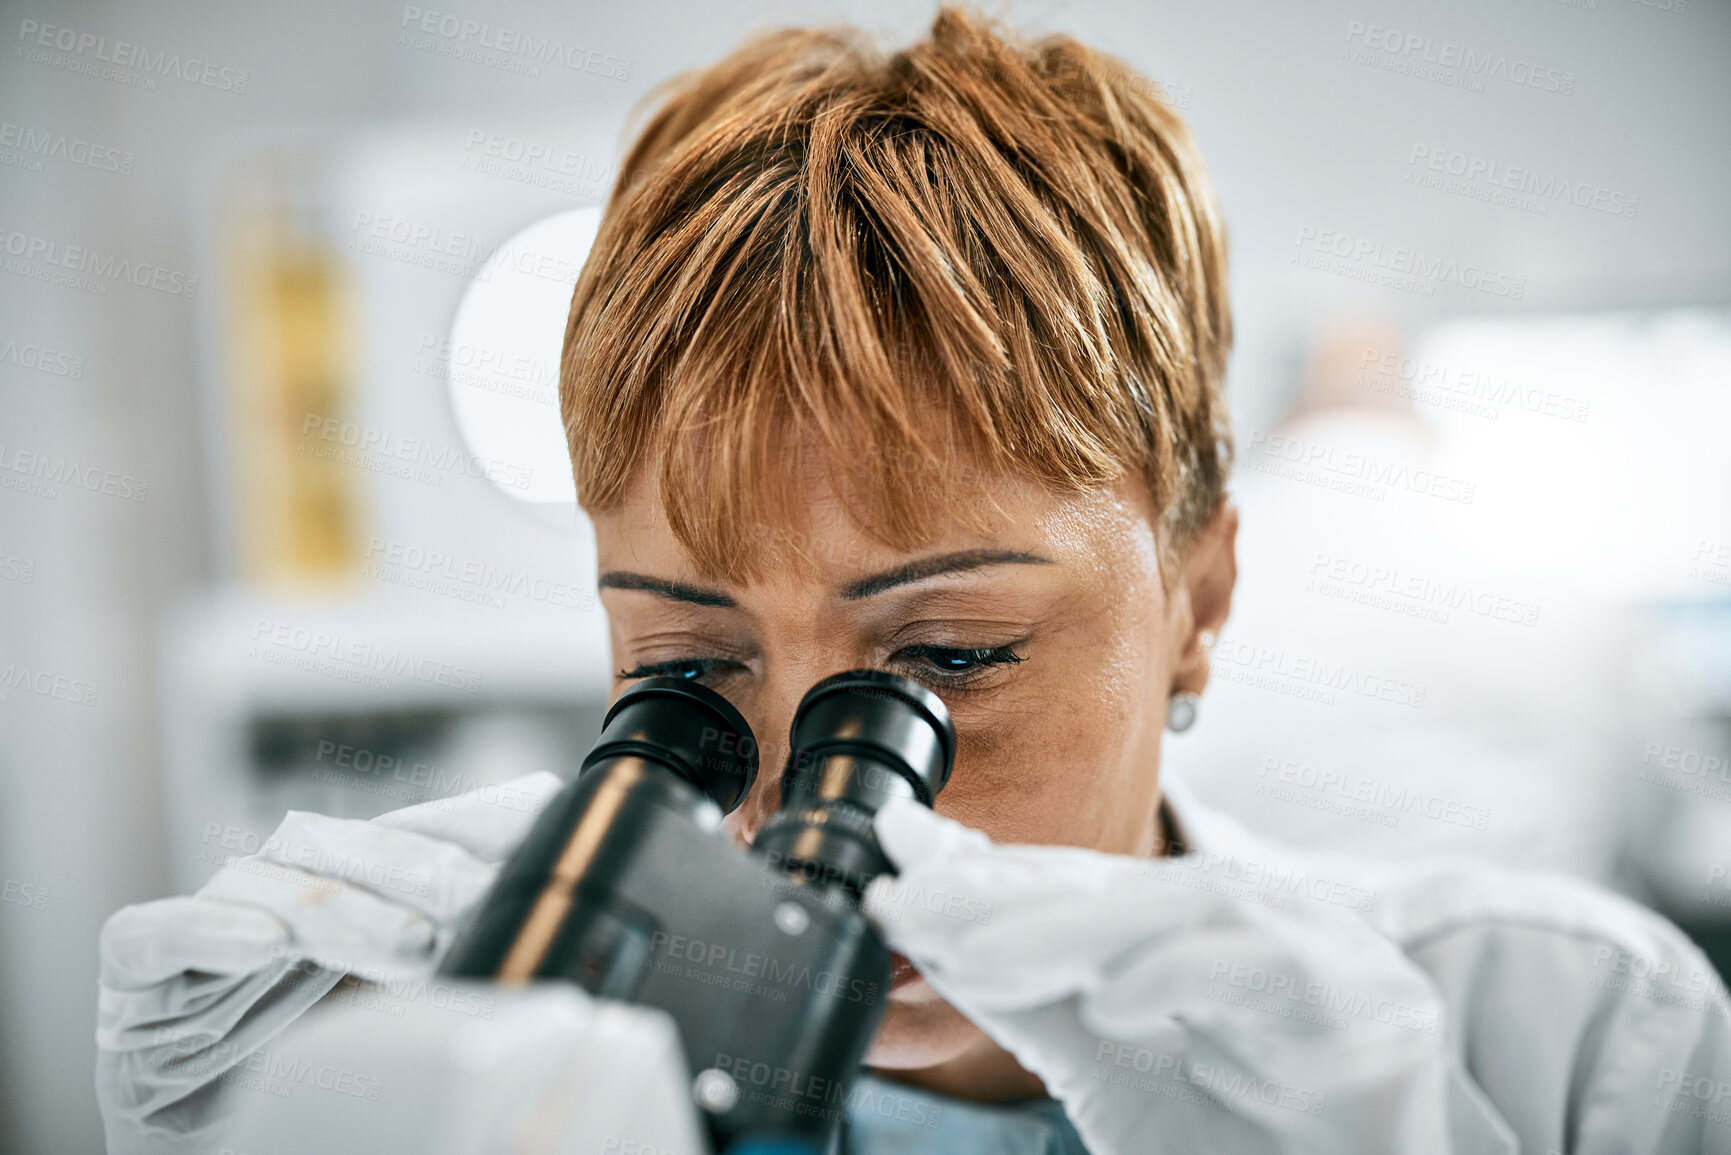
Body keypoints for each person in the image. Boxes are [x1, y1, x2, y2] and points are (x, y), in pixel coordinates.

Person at [97, 8, 1731, 1153]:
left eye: (946, 658)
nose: (813, 815)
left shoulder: (1579, 1039)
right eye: (687, 677)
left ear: (1203, 599)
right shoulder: (543, 1091)